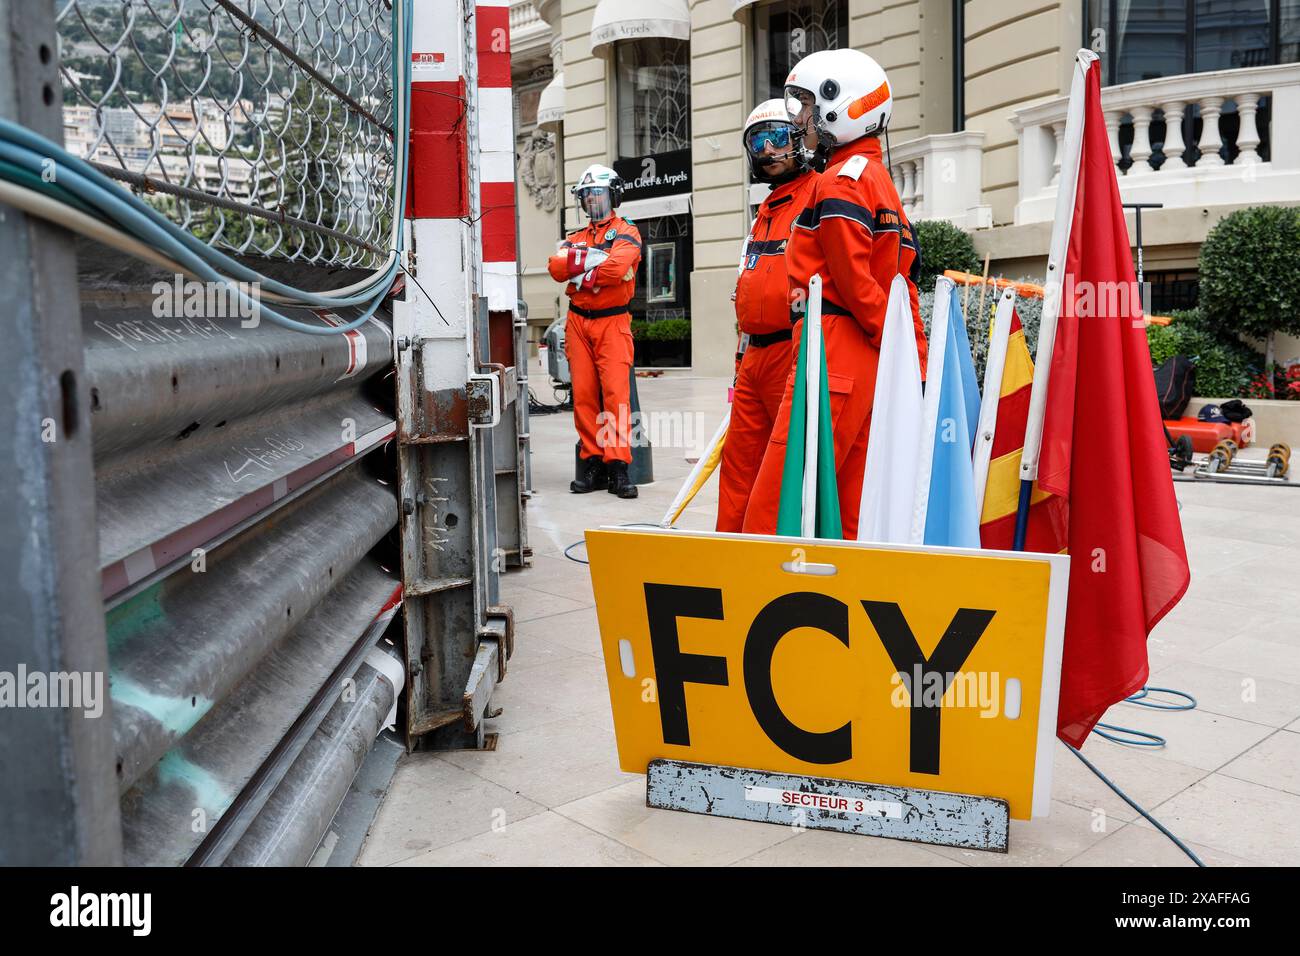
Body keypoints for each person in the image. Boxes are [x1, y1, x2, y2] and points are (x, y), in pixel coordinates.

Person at [741, 49, 928, 539]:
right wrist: (903, 352)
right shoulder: (874, 177)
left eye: (804, 106)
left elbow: (854, 282)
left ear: (837, 105)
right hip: (857, 351)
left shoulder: (840, 183)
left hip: (836, 348)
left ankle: (761, 594)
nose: (799, 120)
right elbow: (898, 281)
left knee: (780, 498)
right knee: (844, 498)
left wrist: (890, 340)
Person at [716, 100, 819, 532]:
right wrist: (740, 368)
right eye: (758, 141)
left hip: (791, 351)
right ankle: (731, 549)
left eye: (776, 137)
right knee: (738, 464)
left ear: (798, 138)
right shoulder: (766, 210)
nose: (767, 150)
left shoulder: (819, 193)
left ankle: (776, 551)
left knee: (785, 466)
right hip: (755, 358)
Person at [547, 164, 642, 499]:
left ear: (612, 196)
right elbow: (555, 267)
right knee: (584, 394)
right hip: (577, 322)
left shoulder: (628, 231)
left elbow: (617, 269)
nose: (592, 201)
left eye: (597, 194)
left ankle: (619, 467)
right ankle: (592, 461)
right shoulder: (575, 237)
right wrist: (593, 260)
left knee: (616, 395)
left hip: (613, 321)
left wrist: (581, 269)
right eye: (587, 196)